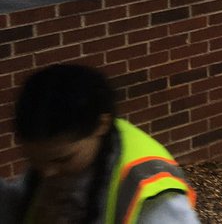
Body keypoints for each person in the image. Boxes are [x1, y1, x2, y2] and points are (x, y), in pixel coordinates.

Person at [0, 64, 199, 223]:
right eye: (33, 160)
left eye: (63, 159)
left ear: (101, 125)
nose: (47, 173)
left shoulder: (146, 191)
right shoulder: (54, 156)